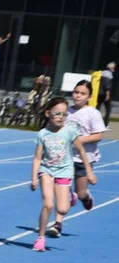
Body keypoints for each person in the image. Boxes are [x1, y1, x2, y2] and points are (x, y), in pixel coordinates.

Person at [30, 97, 95, 251]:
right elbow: (38, 158)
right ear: (48, 114)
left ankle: (70, 195)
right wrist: (34, 178)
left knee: (63, 209)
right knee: (48, 204)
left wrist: (89, 172)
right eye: (57, 113)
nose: (61, 117)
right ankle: (40, 238)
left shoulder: (70, 132)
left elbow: (81, 150)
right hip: (46, 170)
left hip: (64, 171)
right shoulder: (42, 134)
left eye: (64, 114)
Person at [67, 79, 105, 211]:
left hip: (84, 158)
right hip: (66, 156)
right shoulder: (67, 111)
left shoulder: (93, 113)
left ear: (89, 97)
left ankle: (86, 197)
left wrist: (79, 140)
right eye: (76, 92)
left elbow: (98, 135)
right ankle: (58, 221)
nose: (78, 95)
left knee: (80, 193)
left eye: (82, 93)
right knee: (61, 187)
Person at [99, 62, 114, 127]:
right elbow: (107, 86)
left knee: (97, 108)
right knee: (108, 109)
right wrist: (108, 95)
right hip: (105, 94)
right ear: (111, 68)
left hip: (99, 93)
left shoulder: (101, 73)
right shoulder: (108, 75)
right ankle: (105, 124)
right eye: (113, 67)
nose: (114, 69)